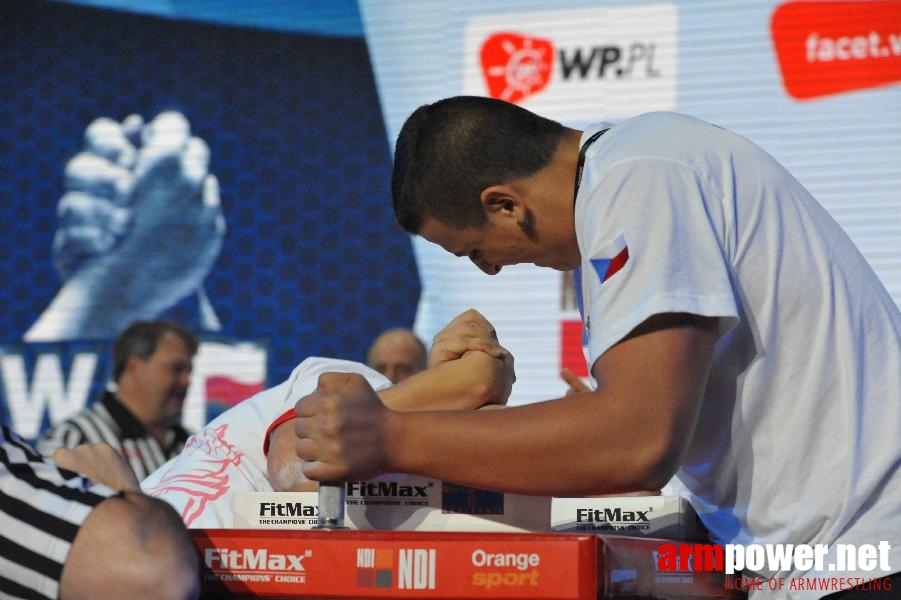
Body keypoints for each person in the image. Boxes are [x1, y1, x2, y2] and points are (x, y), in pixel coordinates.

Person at [294, 97, 901, 596]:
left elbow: (636, 438)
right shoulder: (633, 177)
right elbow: (641, 441)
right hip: (824, 561)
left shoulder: (639, 177)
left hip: (865, 554)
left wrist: (390, 437)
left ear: (505, 204)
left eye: (473, 251)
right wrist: (581, 443)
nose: (489, 273)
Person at [141, 310, 513, 528]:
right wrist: (481, 375)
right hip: (126, 547)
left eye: (405, 367)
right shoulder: (338, 376)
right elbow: (297, 470)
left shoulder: (416, 466)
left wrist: (478, 382)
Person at [1, 427, 199, 599]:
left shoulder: (184, 436)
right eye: (170, 378)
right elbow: (165, 581)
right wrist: (118, 488)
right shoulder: (74, 435)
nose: (186, 381)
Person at [38, 319, 197, 480]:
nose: (187, 381)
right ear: (134, 368)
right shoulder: (72, 438)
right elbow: (45, 500)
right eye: (176, 369)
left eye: (189, 371)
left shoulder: (194, 445)